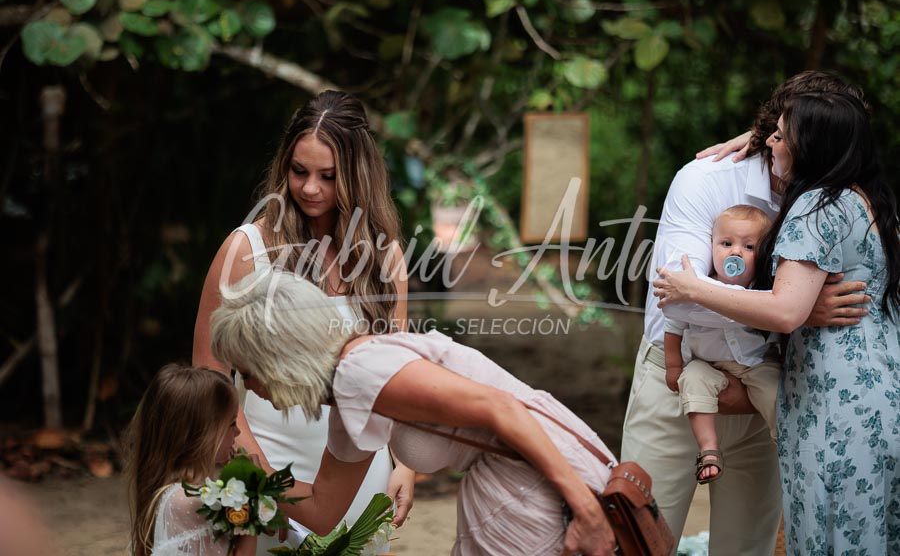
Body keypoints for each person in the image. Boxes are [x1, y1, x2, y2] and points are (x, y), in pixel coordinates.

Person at [619, 71, 872, 554]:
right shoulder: (707, 180)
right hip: (676, 382)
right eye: (777, 131)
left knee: (747, 548)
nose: (777, 142)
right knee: (641, 542)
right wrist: (792, 308)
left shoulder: (835, 199)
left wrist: (786, 308)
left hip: (766, 388)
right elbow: (680, 294)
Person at [210, 269, 620, 556]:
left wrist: (587, 512)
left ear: (279, 361)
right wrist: (256, 473)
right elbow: (321, 512)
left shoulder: (360, 370)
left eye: (248, 373)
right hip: (509, 482)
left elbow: (503, 408)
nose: (250, 388)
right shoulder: (348, 400)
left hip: (535, 478)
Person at [192, 90, 414, 553]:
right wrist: (252, 468)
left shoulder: (385, 257)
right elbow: (210, 375)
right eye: (299, 171)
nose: (310, 188)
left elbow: (396, 378)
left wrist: (405, 464)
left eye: (328, 176)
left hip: (360, 469)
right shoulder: (246, 248)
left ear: (358, 175)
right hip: (266, 454)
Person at [663, 206, 781, 485]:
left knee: (776, 393)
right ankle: (708, 449)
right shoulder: (698, 289)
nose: (735, 252)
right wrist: (673, 366)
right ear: (712, 246)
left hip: (755, 363)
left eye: (749, 247)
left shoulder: (764, 292)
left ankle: (786, 441)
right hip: (708, 364)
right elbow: (673, 326)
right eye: (726, 243)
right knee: (692, 379)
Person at [125, 364, 255, 556]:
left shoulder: (180, 492)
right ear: (200, 433)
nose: (237, 432)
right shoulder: (188, 501)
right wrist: (253, 496)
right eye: (231, 423)